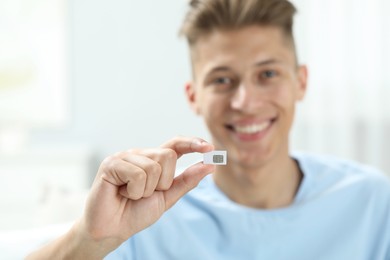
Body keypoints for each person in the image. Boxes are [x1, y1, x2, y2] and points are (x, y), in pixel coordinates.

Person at [27, 0, 390, 259]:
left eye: (267, 74)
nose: (245, 101)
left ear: (301, 82)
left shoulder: (373, 202)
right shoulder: (146, 218)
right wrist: (88, 241)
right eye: (222, 79)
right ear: (194, 96)